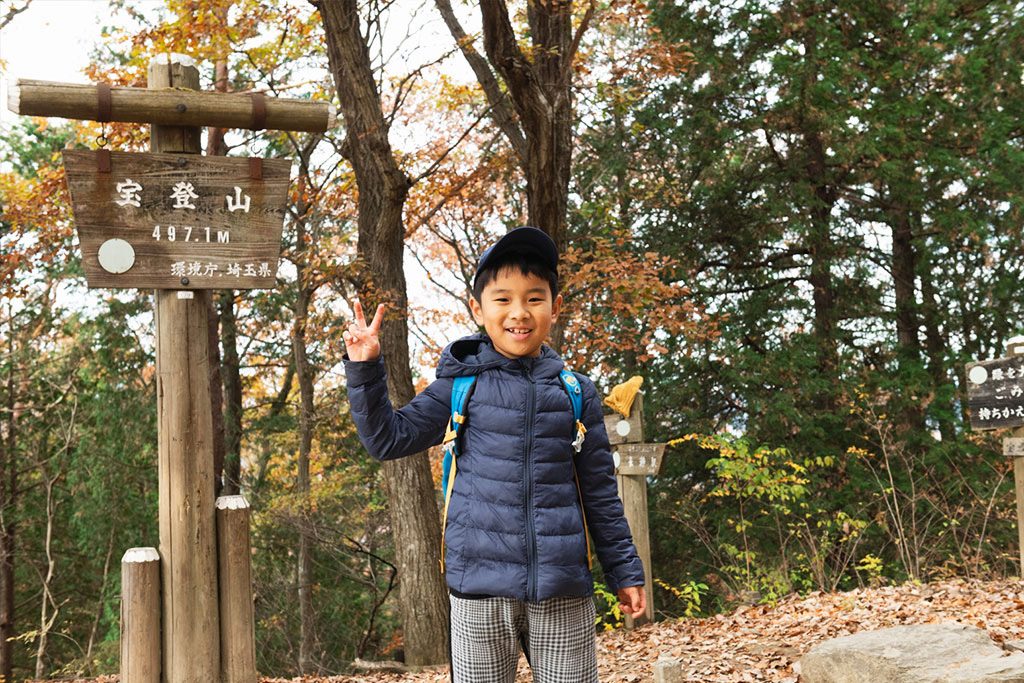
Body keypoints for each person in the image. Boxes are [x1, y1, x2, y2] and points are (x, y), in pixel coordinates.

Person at [343, 226, 645, 682]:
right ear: (478, 309)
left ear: (555, 307)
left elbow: (600, 493)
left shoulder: (576, 392)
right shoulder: (460, 386)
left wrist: (624, 570)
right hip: (479, 591)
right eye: (502, 299)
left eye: (534, 298)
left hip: (563, 588)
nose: (519, 312)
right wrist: (365, 369)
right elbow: (387, 438)